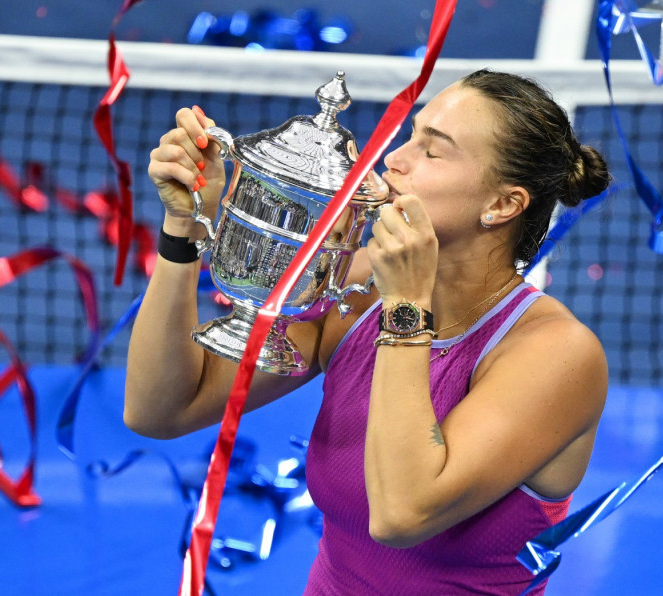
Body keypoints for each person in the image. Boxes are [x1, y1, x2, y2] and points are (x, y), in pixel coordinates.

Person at [124, 69, 610, 595]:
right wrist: (185, 227)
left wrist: (405, 305)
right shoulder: (358, 287)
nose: (393, 159)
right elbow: (161, 410)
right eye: (411, 134)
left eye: (432, 150)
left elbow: (402, 514)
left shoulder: (557, 356)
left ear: (501, 205)